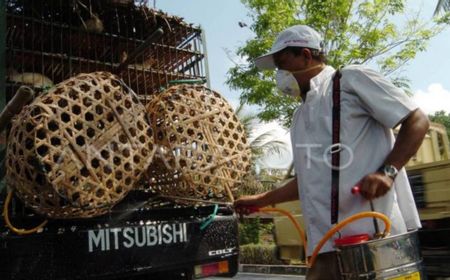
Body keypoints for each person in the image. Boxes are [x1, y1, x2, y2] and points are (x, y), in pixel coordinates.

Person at [234, 25, 430, 279]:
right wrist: (261, 200)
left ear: (306, 55)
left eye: (283, 65)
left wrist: (387, 172)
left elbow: (417, 120)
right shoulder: (299, 116)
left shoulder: (350, 80)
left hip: (374, 243)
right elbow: (309, 180)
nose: (280, 75)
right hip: (324, 249)